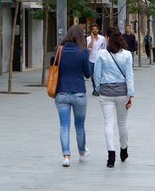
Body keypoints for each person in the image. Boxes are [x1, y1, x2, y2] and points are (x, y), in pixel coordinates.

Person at [93, 30, 135, 169]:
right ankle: (124, 150)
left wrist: (98, 89)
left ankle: (111, 156)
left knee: (108, 124)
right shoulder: (127, 55)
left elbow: (96, 75)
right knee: (122, 123)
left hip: (106, 92)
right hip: (122, 92)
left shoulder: (102, 54)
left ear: (107, 38)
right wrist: (131, 94)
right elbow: (129, 76)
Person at [53, 24, 92, 167]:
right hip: (79, 93)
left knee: (64, 126)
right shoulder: (83, 51)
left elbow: (54, 67)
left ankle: (66, 157)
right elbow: (88, 73)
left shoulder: (59, 50)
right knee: (80, 126)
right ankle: (82, 153)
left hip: (62, 92)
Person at [86, 24, 106, 95]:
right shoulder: (88, 38)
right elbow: (89, 49)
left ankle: (97, 89)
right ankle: (95, 87)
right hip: (91, 59)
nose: (95, 30)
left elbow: (104, 48)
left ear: (98, 30)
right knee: (92, 76)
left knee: (98, 75)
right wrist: (92, 39)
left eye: (96, 29)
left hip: (100, 59)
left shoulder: (102, 38)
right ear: (92, 30)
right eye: (93, 29)